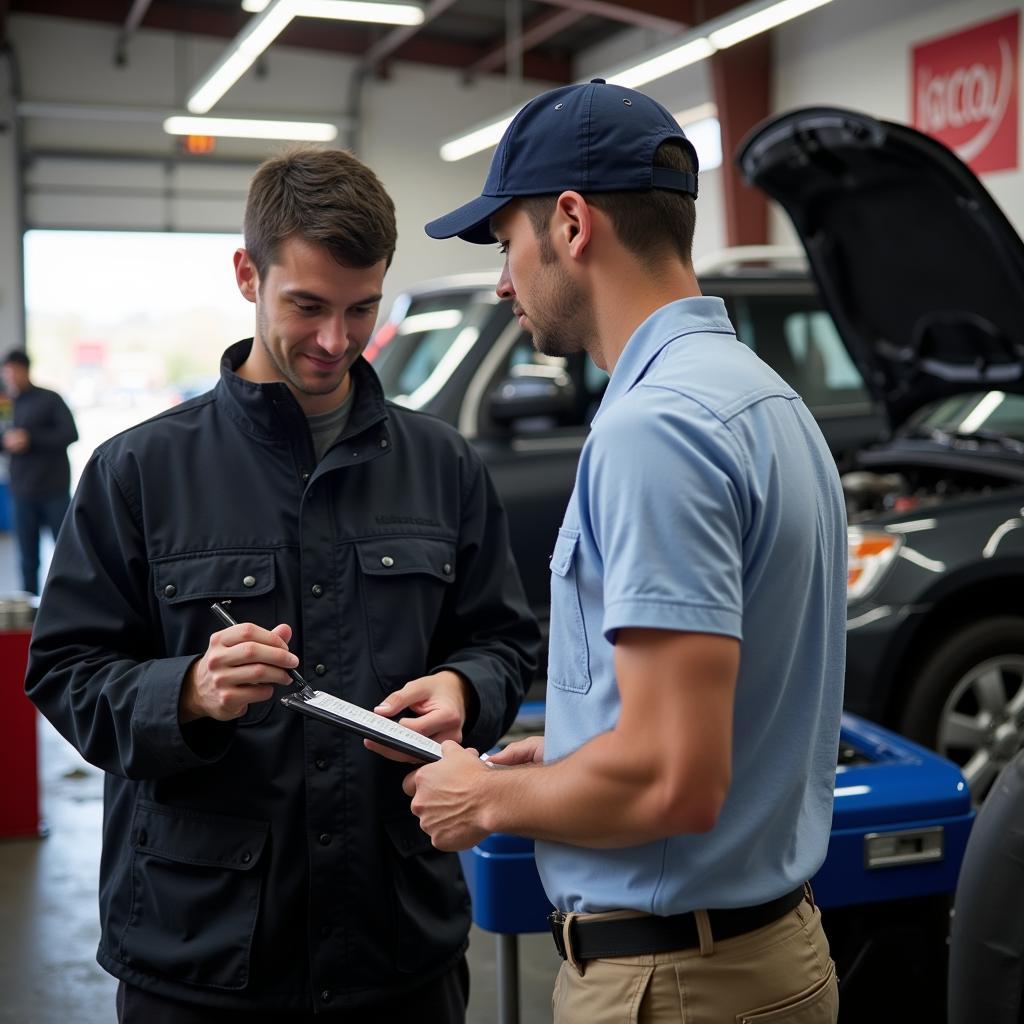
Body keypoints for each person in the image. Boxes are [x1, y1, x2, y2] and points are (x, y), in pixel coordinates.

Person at [25, 147, 539, 1022]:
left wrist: (464, 687)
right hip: (203, 954)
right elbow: (66, 669)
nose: (336, 341)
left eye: (361, 309)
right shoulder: (137, 472)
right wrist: (185, 689)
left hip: (396, 946)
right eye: (307, 306)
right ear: (246, 275)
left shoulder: (443, 466)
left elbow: (505, 642)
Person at [402, 80, 847, 1023]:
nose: (501, 280)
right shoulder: (767, 399)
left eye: (505, 242)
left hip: (677, 984)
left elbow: (673, 778)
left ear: (570, 223)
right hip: (755, 953)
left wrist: (482, 800)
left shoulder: (658, 430)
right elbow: (704, 722)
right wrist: (564, 757)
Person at [1, 348, 78, 594]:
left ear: (25, 370)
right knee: (27, 559)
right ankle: (31, 610)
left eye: (13, 371)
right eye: (6, 372)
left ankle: (73, 603)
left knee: (68, 554)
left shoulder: (50, 399)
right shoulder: (5, 403)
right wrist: (7, 441)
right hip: (21, 492)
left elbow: (70, 434)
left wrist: (31, 439)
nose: (10, 377)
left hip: (53, 490)